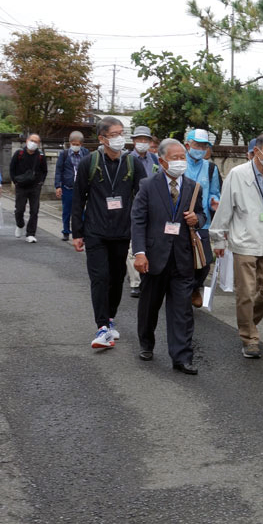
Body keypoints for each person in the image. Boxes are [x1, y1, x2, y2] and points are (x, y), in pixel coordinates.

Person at [131, 138, 205, 374]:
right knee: (149, 305)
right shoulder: (147, 185)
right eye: (175, 158)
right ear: (162, 161)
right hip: (154, 257)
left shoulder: (194, 187)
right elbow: (138, 220)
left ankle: (182, 357)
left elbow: (201, 215)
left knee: (182, 309)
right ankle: (146, 343)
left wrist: (198, 219)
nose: (180, 161)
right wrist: (140, 253)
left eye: (182, 157)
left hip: (182, 258)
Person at [71, 116, 145, 349]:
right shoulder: (89, 163)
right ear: (102, 138)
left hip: (122, 232)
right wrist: (77, 232)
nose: (120, 138)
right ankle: (102, 326)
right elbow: (78, 199)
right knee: (99, 278)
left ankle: (110, 319)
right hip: (96, 232)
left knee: (116, 278)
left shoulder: (133, 164)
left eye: (122, 133)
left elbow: (143, 198)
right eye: (114, 134)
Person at [211, 133, 263, 358]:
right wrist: (219, 239)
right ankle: (249, 337)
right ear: (257, 151)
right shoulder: (238, 174)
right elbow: (225, 208)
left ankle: (248, 322)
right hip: (244, 240)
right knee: (246, 293)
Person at [184, 128, 222, 301]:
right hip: (180, 221)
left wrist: (215, 201)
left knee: (205, 262)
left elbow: (215, 191)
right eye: (196, 145)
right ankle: (181, 293)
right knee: (183, 261)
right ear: (187, 145)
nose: (200, 149)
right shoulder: (179, 163)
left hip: (203, 221)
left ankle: (195, 287)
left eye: (204, 146)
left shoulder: (211, 168)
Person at [127, 125, 163, 297]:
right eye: (139, 139)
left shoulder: (155, 160)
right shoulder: (126, 159)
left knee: (150, 242)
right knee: (134, 243)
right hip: (133, 206)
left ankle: (148, 275)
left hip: (153, 207)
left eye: (145, 140)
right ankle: (135, 282)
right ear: (133, 141)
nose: (142, 142)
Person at [9, 133, 48, 243]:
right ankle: (20, 224)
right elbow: (12, 168)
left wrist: (40, 183)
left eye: (36, 142)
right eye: (32, 140)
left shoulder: (40, 156)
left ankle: (31, 233)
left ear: (39, 144)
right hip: (21, 186)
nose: (33, 143)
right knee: (19, 209)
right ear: (26, 141)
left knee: (34, 211)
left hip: (35, 187)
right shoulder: (19, 154)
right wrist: (15, 181)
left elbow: (44, 171)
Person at [54, 131, 88, 242]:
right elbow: (58, 171)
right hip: (67, 187)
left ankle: (81, 232)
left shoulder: (86, 154)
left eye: (77, 144)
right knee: (66, 211)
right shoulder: (64, 154)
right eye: (73, 144)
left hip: (81, 188)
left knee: (81, 211)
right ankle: (66, 231)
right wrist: (58, 186)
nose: (75, 146)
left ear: (81, 144)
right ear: (69, 143)